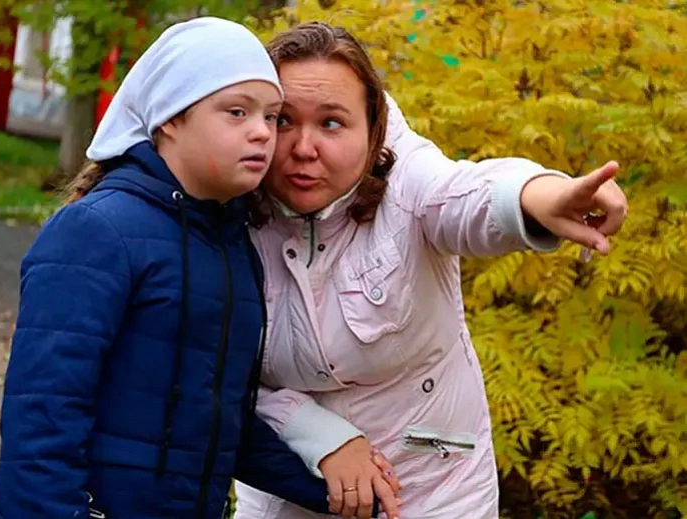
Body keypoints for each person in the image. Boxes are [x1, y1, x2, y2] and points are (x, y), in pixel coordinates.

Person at [0, 17, 390, 519]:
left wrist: (337, 492)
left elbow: (218, 425)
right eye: (236, 112)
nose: (262, 133)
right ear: (170, 119)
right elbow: (42, 418)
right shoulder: (96, 231)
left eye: (271, 115)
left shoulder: (231, 243)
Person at [234, 22, 628, 519]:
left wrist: (540, 196)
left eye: (332, 123)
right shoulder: (224, 213)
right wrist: (318, 435)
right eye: (284, 121)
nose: (304, 148)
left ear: (372, 128)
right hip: (288, 489)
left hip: (433, 486)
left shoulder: (408, 183)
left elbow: (467, 195)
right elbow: (208, 370)